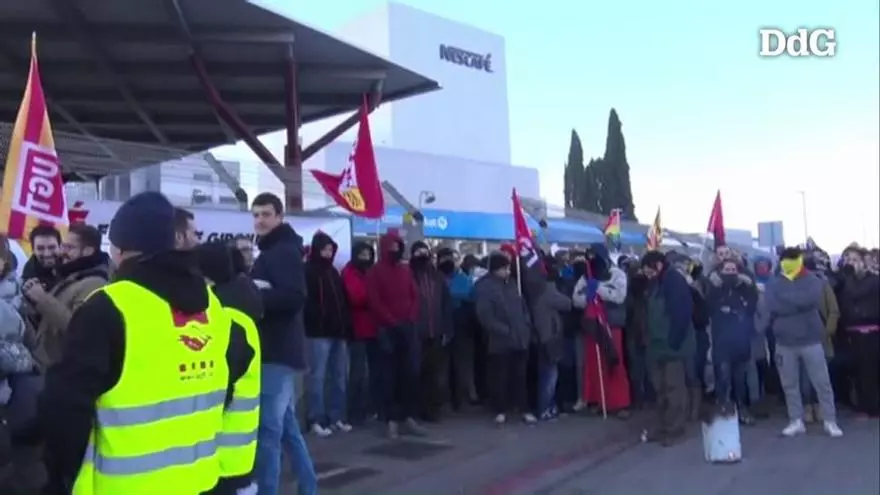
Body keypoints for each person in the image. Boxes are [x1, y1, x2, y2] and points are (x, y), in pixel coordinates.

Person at [38, 191, 255, 494]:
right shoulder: (213, 309)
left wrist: (63, 477)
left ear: (119, 250)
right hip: (196, 482)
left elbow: (64, 408)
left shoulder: (108, 308)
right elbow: (229, 386)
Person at [248, 193, 315, 495]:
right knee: (286, 430)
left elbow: (295, 296)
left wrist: (254, 296)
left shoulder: (282, 251)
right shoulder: (274, 250)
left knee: (269, 433)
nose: (260, 220)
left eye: (266, 214)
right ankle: (308, 486)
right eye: (256, 215)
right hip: (276, 350)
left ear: (279, 216)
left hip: (276, 352)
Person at [195, 242, 263, 495]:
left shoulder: (225, 321)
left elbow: (217, 392)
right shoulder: (238, 312)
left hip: (221, 460)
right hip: (235, 458)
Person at [765, 247, 843, 437]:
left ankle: (830, 420)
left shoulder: (813, 280)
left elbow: (810, 300)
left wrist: (786, 301)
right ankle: (796, 420)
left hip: (811, 340)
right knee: (789, 384)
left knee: (822, 383)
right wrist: (796, 303)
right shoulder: (774, 282)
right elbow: (772, 305)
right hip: (784, 341)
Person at [365, 230, 426, 438]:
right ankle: (391, 420)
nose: (395, 250)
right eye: (391, 247)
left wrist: (411, 317)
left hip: (407, 328)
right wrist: (392, 321)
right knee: (388, 376)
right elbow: (374, 301)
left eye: (397, 246)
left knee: (408, 375)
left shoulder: (405, 270)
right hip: (387, 330)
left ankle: (408, 416)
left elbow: (415, 295)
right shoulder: (374, 272)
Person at [25, 224, 110, 371]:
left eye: (69, 247)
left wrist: (42, 298)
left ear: (88, 251)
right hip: (46, 364)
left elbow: (79, 328)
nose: (62, 252)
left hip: (58, 369)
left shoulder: (94, 283)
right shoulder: (72, 274)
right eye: (63, 246)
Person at [474, 251, 536, 425]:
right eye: (504, 268)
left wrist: (526, 324)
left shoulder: (512, 284)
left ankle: (523, 408)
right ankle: (500, 409)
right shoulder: (485, 287)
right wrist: (504, 330)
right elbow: (485, 315)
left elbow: (523, 306)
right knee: (500, 377)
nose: (507, 271)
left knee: (520, 376)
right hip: (500, 340)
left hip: (520, 338)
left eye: (508, 268)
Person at [641, 250, 693, 446]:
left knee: (674, 388)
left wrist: (674, 341)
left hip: (672, 346)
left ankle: (675, 428)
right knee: (660, 389)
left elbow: (681, 313)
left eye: (649, 271)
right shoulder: (655, 283)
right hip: (657, 346)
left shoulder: (674, 281)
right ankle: (663, 425)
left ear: (658, 265)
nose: (647, 275)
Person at [573, 244, 631, 418]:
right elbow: (576, 299)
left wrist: (599, 289)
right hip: (593, 325)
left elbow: (619, 296)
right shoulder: (586, 277)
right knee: (595, 365)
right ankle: (601, 400)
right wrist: (587, 297)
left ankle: (620, 403)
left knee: (614, 362)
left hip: (611, 325)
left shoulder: (617, 274)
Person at [303, 232, 353, 436]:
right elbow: (307, 302)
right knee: (317, 376)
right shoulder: (308, 271)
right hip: (318, 332)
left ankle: (336, 417)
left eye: (330, 249)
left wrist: (345, 324)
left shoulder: (333, 272)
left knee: (339, 376)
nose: (328, 253)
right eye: (324, 249)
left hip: (338, 332)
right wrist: (320, 317)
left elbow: (342, 300)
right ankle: (316, 419)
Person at [706, 259, 759, 425]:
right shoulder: (714, 287)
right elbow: (709, 307)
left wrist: (749, 287)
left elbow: (752, 306)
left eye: (733, 269)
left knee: (740, 379)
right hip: (721, 340)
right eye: (727, 270)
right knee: (723, 378)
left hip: (741, 341)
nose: (730, 273)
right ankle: (724, 410)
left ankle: (742, 409)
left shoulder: (744, 287)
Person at [410, 241, 453, 422]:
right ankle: (414, 409)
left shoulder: (437, 276)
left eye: (424, 251)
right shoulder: (409, 275)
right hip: (415, 332)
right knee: (415, 372)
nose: (422, 254)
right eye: (418, 251)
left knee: (434, 373)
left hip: (435, 331)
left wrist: (447, 329)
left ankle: (433, 409)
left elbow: (446, 304)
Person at [835, 248, 880, 418]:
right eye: (848, 259)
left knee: (870, 370)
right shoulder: (844, 280)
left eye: (855, 260)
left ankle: (872, 406)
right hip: (851, 331)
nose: (851, 263)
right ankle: (861, 404)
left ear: (863, 262)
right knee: (856, 370)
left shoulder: (874, 281)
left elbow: (860, 294)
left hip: (871, 330)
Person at [342, 242, 380, 425]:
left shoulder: (372, 272)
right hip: (357, 329)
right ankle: (355, 412)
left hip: (375, 328)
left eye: (368, 254)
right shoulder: (349, 272)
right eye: (362, 254)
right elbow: (356, 297)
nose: (366, 258)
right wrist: (374, 297)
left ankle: (371, 409)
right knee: (358, 373)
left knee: (375, 372)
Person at [529, 258, 571, 420]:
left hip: (540, 336)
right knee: (550, 375)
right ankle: (545, 408)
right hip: (550, 337)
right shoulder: (549, 291)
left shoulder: (535, 291)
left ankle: (548, 406)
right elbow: (567, 303)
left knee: (545, 373)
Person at [799, 254, 840, 423]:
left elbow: (834, 310)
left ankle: (821, 405)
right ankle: (808, 406)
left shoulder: (823, 285)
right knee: (805, 375)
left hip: (821, 337)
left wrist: (827, 331)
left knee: (822, 375)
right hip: (801, 337)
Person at [437, 247, 479, 410]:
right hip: (441, 326)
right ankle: (444, 399)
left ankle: (462, 398)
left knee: (463, 364)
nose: (448, 262)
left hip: (462, 326)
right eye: (444, 258)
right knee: (442, 365)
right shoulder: (435, 278)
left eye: (451, 259)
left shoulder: (464, 279)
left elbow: (472, 297)